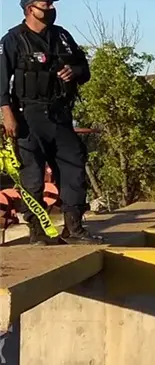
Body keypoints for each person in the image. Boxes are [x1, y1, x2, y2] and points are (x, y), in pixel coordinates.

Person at [0, 0, 101, 245]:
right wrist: (7, 114)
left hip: (60, 115)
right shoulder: (14, 39)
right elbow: (1, 81)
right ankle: (37, 232)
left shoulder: (62, 36)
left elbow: (83, 68)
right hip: (27, 116)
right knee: (32, 175)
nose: (51, 8)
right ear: (29, 8)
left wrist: (74, 71)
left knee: (73, 169)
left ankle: (74, 227)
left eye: (52, 3)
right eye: (45, 4)